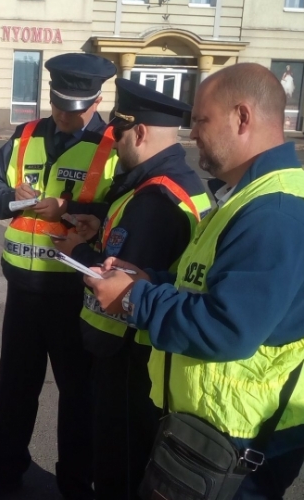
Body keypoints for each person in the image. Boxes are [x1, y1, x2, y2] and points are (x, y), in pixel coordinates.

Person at [85, 62, 304, 499]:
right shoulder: (248, 196)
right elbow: (206, 282)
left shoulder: (277, 213)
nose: (192, 134)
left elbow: (227, 327)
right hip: (217, 425)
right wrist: (150, 278)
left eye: (202, 120)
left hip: (244, 438)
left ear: (241, 117)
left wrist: (134, 299)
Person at [52, 79, 211, 500]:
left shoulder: (155, 200)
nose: (114, 144)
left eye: (119, 135)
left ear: (139, 133)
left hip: (128, 357)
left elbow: (120, 282)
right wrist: (100, 228)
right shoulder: (178, 182)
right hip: (151, 355)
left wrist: (77, 249)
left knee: (117, 468)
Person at [0, 53, 118, 500]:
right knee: (15, 389)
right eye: (57, 105)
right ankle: (4, 474)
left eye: (73, 109)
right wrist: (12, 198)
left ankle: (75, 485)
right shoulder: (25, 135)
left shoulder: (113, 146)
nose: (62, 116)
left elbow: (120, 211)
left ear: (96, 102)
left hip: (75, 293)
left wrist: (69, 210)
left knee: (78, 398)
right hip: (23, 288)